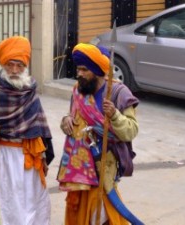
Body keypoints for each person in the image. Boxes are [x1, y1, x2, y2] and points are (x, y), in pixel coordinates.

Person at [0, 36, 54, 225]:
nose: (15, 70)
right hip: (6, 159)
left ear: (25, 66)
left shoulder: (30, 90)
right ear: (3, 64)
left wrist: (44, 154)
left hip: (31, 158)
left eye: (19, 65)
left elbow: (40, 125)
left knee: (36, 203)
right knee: (10, 206)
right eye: (10, 65)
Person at [57, 43, 139, 225]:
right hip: (78, 167)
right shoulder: (79, 90)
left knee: (103, 213)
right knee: (80, 213)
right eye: (78, 69)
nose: (79, 74)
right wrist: (66, 121)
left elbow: (131, 131)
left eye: (84, 70)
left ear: (97, 71)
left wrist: (114, 115)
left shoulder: (119, 93)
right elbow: (74, 119)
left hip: (104, 164)